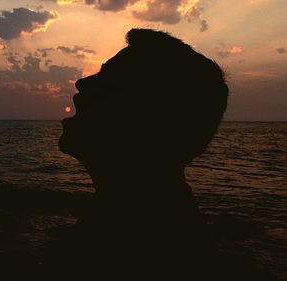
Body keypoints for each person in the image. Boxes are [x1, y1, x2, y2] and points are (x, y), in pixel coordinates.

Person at [51, 28, 229, 279]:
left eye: (109, 80)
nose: (82, 83)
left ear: (145, 116)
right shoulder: (122, 218)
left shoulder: (144, 237)